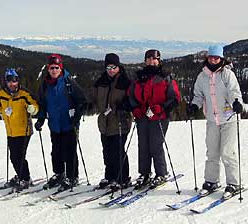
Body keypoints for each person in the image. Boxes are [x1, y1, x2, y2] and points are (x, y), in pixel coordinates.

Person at [187, 45, 244, 198]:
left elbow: (234, 92)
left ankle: (234, 183)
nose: (213, 59)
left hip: (229, 118)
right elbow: (198, 95)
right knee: (212, 152)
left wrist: (237, 102)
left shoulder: (227, 74)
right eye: (211, 57)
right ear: (207, 58)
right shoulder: (202, 76)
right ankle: (212, 181)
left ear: (221, 58)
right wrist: (194, 105)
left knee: (227, 152)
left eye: (216, 57)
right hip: (212, 119)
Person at [128, 49, 180, 189]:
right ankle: (144, 174)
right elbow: (130, 95)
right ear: (145, 61)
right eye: (149, 59)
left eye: (154, 59)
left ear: (159, 60)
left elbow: (175, 98)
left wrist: (162, 107)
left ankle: (161, 173)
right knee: (143, 146)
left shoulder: (165, 76)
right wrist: (135, 108)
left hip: (160, 117)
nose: (151, 61)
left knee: (155, 145)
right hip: (143, 116)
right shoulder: (139, 77)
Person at [35, 54, 87, 191]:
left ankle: (72, 176)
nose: (54, 70)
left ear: (61, 68)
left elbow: (82, 100)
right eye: (51, 68)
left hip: (69, 123)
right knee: (56, 152)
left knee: (70, 151)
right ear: (48, 68)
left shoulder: (69, 82)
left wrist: (77, 115)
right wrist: (40, 119)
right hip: (54, 124)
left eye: (56, 68)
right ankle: (59, 174)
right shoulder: (45, 85)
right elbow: (42, 104)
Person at [92, 53, 132, 190]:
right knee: (107, 151)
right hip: (105, 123)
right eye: (108, 67)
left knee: (118, 151)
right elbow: (94, 97)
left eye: (113, 67)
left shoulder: (124, 81)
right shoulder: (101, 82)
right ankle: (110, 176)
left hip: (120, 121)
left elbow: (132, 99)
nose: (111, 70)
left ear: (118, 67)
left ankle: (123, 178)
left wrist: (125, 106)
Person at [0, 68, 39, 191]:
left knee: (19, 156)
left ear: (17, 81)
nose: (12, 84)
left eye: (14, 81)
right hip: (11, 131)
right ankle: (21, 175)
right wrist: (5, 114)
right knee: (14, 157)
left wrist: (33, 109)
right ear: (5, 82)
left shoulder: (24, 94)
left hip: (24, 130)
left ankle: (25, 178)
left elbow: (35, 105)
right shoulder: (1, 95)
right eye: (9, 81)